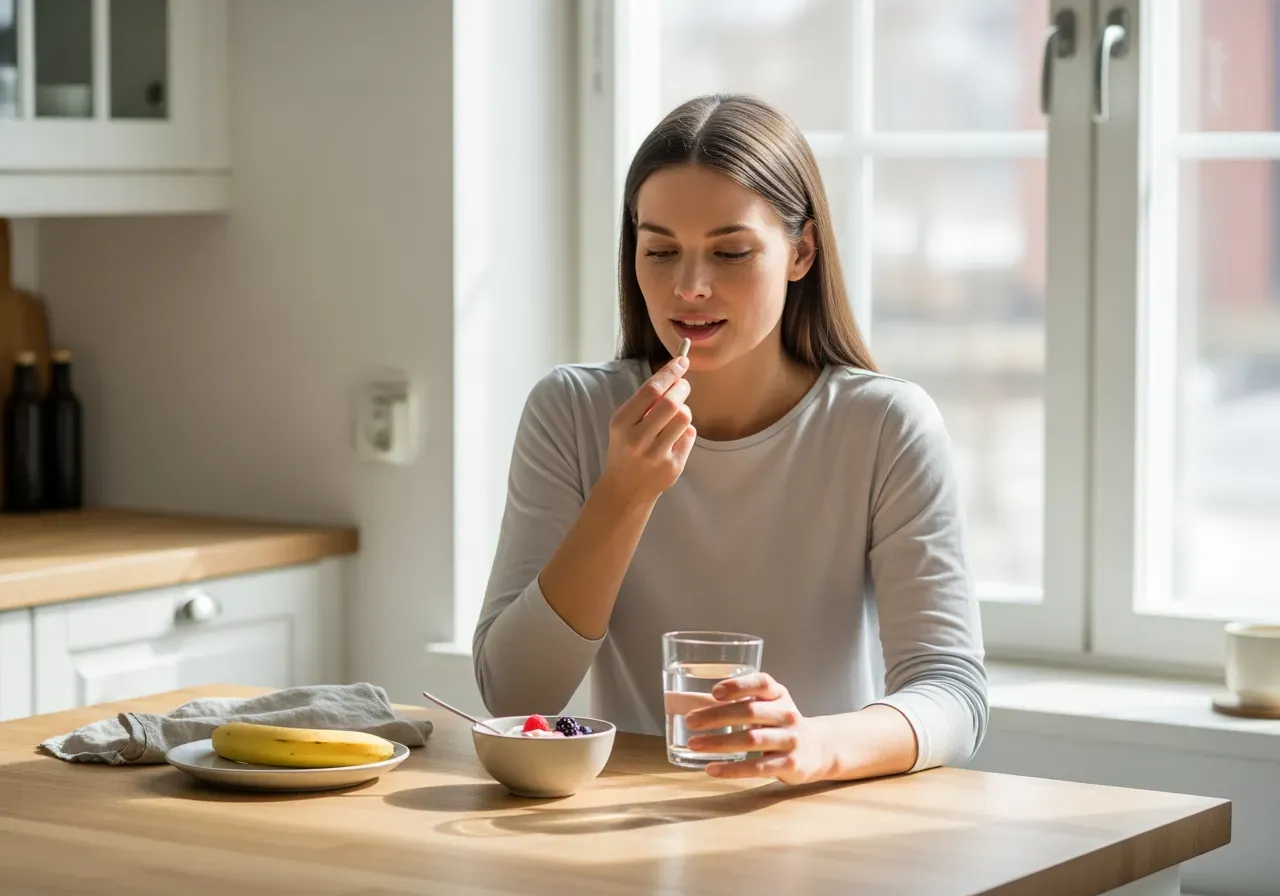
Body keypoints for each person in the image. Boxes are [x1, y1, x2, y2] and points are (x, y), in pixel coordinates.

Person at [472, 93, 987, 785]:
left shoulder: (886, 426)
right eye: (660, 250)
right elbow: (514, 697)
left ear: (800, 252)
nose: (689, 286)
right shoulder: (570, 410)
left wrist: (813, 745)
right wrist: (622, 496)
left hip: (816, 820)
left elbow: (952, 693)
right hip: (623, 827)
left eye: (731, 252)